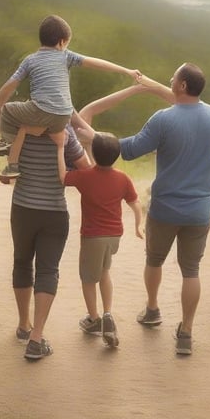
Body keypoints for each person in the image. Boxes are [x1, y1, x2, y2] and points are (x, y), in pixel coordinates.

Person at [119, 63, 210, 355]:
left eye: (173, 77)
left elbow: (130, 150)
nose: (170, 80)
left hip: (164, 208)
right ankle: (186, 332)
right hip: (199, 212)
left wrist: (97, 140)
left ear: (183, 86)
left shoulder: (163, 119)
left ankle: (152, 310)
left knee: (154, 260)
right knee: (191, 271)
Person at [0, 14, 141, 184]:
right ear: (61, 42)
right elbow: (97, 63)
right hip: (63, 118)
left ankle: (6, 144)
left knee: (7, 110)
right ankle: (78, 169)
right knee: (60, 130)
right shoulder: (66, 56)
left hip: (43, 113)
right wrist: (126, 71)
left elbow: (8, 87)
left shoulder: (30, 60)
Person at [8, 122, 91, 360]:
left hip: (23, 208)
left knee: (22, 262)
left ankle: (24, 325)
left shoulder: (20, 124)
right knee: (48, 270)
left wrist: (23, 130)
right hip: (54, 211)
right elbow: (86, 169)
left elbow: (9, 167)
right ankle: (36, 337)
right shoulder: (65, 130)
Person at [61, 131, 143, 348]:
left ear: (95, 154)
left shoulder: (85, 177)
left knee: (88, 279)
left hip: (93, 236)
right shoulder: (122, 178)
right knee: (104, 272)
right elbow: (135, 203)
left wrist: (60, 148)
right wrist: (138, 225)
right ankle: (107, 313)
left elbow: (62, 177)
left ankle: (94, 319)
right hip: (114, 236)